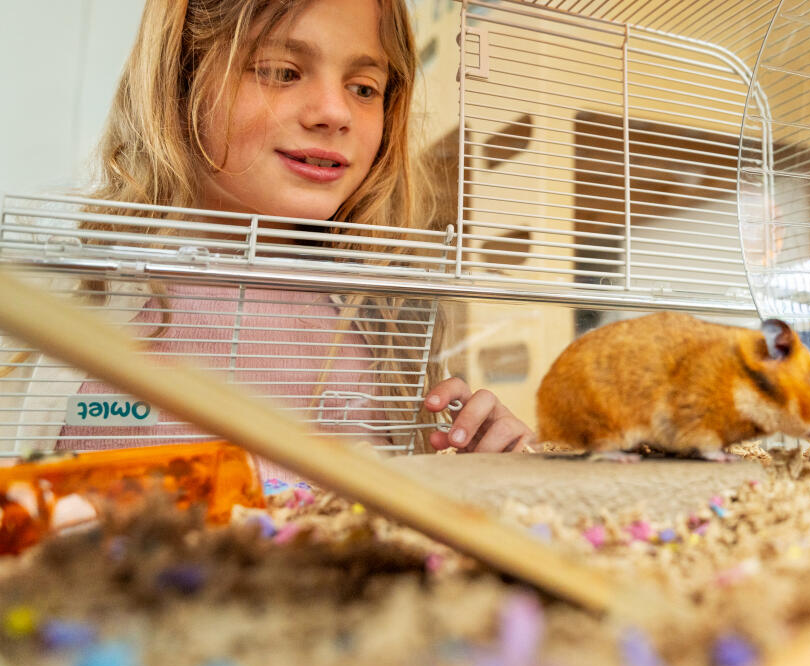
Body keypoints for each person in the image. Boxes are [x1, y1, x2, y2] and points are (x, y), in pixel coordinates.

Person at [3, 0, 533, 461]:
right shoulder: (63, 293)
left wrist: (475, 461)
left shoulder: (386, 318)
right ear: (181, 77)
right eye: (282, 71)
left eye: (364, 87)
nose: (335, 112)